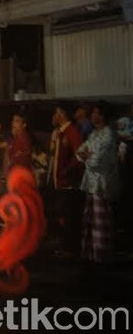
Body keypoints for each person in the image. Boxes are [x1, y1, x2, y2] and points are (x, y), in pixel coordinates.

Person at [76, 102, 120, 264]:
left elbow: (96, 160)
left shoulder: (108, 134)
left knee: (101, 220)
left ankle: (102, 255)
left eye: (97, 113)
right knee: (92, 219)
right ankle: (92, 253)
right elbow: (80, 152)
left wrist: (87, 156)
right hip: (92, 182)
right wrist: (87, 155)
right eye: (93, 113)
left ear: (103, 116)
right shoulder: (95, 134)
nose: (94, 116)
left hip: (102, 184)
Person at [47, 103, 85, 257]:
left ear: (62, 114)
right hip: (60, 181)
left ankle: (71, 247)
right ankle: (66, 245)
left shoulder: (71, 132)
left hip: (67, 183)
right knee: (63, 213)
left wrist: (67, 170)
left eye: (57, 112)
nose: (55, 116)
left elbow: (79, 154)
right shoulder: (60, 133)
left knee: (69, 215)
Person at [0, 110, 33, 175]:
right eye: (13, 121)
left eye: (17, 121)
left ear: (24, 125)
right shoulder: (13, 139)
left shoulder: (25, 139)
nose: (13, 124)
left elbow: (25, 155)